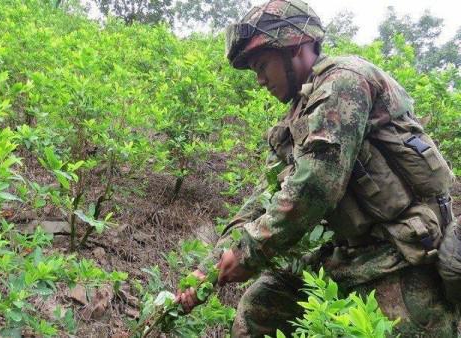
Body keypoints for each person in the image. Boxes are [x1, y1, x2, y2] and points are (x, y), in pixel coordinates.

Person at [175, 0, 461, 336]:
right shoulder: (299, 114)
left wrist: (248, 253)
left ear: (295, 46)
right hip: (351, 255)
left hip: (401, 255)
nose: (260, 80)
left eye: (262, 64)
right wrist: (209, 267)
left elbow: (315, 187)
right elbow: (267, 196)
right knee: (260, 309)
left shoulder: (343, 82)